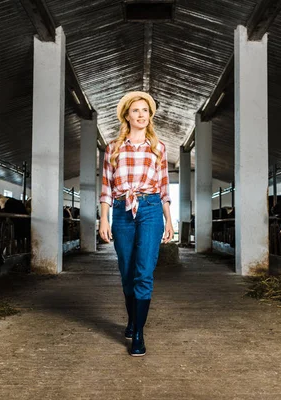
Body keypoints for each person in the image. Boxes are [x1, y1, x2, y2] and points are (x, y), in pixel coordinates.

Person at [99, 91, 174, 357]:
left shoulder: (159, 148)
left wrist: (169, 219)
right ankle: (132, 320)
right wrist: (104, 218)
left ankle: (139, 334)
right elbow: (107, 187)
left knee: (144, 271)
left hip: (151, 208)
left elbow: (164, 187)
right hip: (121, 210)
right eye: (136, 111)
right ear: (127, 116)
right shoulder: (113, 148)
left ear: (150, 115)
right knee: (127, 271)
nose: (141, 115)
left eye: (145, 110)